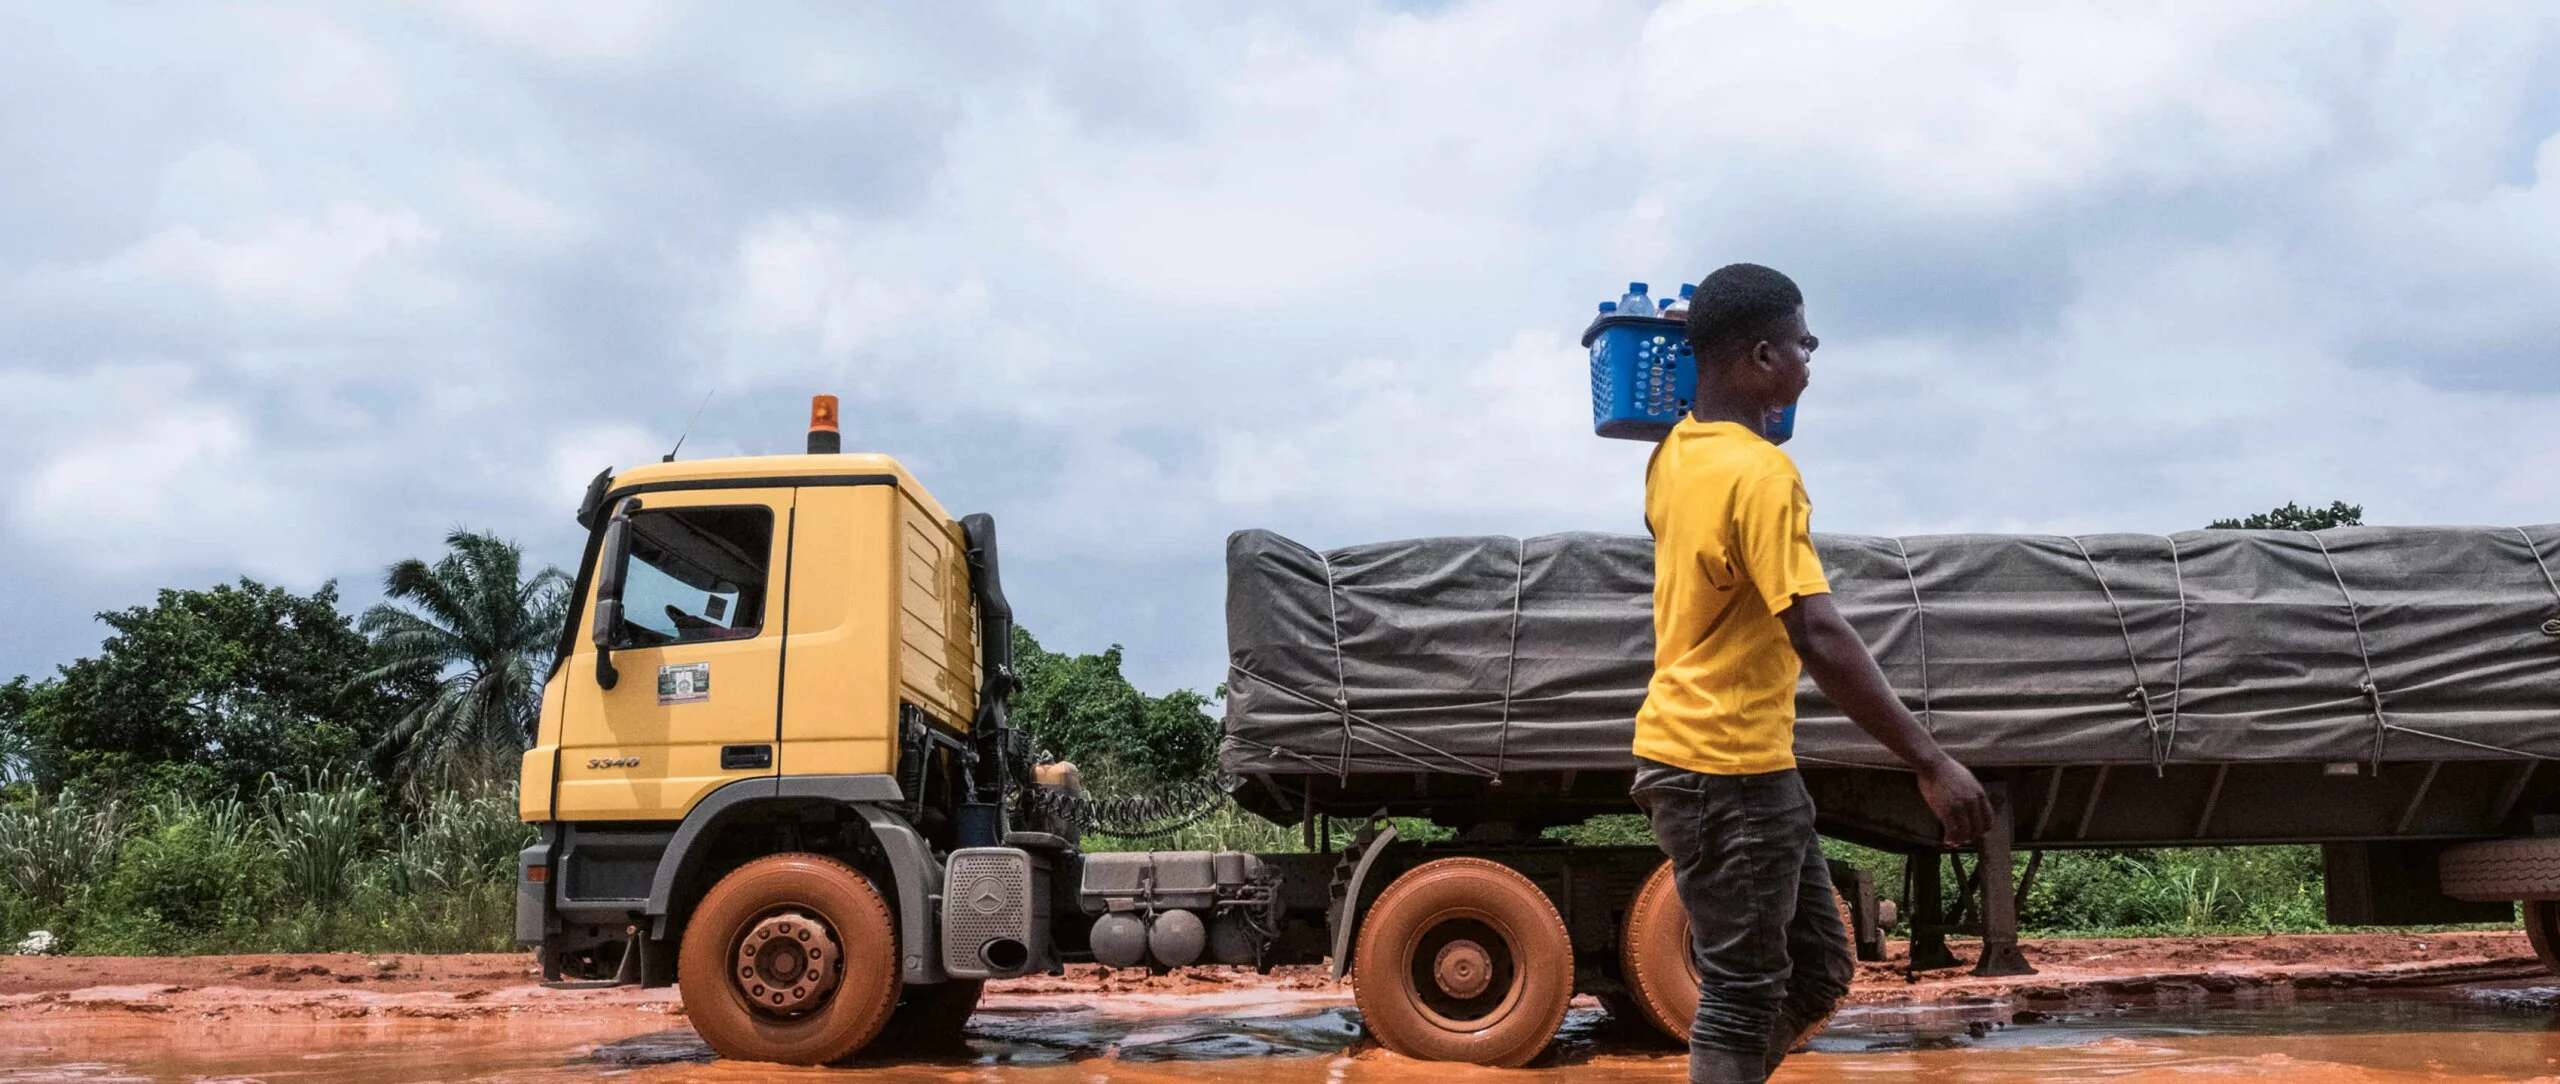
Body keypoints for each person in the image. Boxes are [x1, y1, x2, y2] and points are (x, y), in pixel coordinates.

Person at [1632, 262, 1994, 1083]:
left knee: (1819, 972)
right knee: (1741, 993)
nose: (1811, 354)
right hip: (1724, 765)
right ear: (1761, 357)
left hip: (1731, 760)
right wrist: (1931, 763)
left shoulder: (1673, 457)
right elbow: (1818, 632)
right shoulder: (1760, 475)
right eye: (1803, 341)